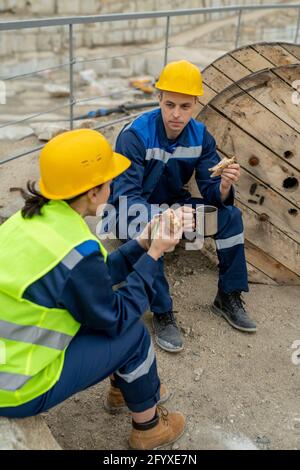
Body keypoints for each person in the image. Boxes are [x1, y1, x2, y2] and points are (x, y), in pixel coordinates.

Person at [0, 129, 186, 450]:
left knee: (108, 322)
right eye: (108, 180)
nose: (112, 186)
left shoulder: (27, 219)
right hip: (16, 386)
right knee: (133, 333)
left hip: (9, 358)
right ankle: (149, 429)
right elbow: (115, 316)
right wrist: (155, 253)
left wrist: (141, 243)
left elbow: (91, 279)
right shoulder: (77, 249)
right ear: (93, 192)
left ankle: (125, 387)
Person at [109, 60, 257, 354]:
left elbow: (211, 191)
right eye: (170, 105)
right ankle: (162, 311)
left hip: (175, 207)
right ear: (159, 99)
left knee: (229, 217)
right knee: (159, 227)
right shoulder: (134, 136)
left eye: (185, 107)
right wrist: (165, 217)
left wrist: (224, 186)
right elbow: (126, 198)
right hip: (133, 213)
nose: (176, 115)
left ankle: (228, 296)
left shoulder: (201, 137)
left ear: (195, 104)